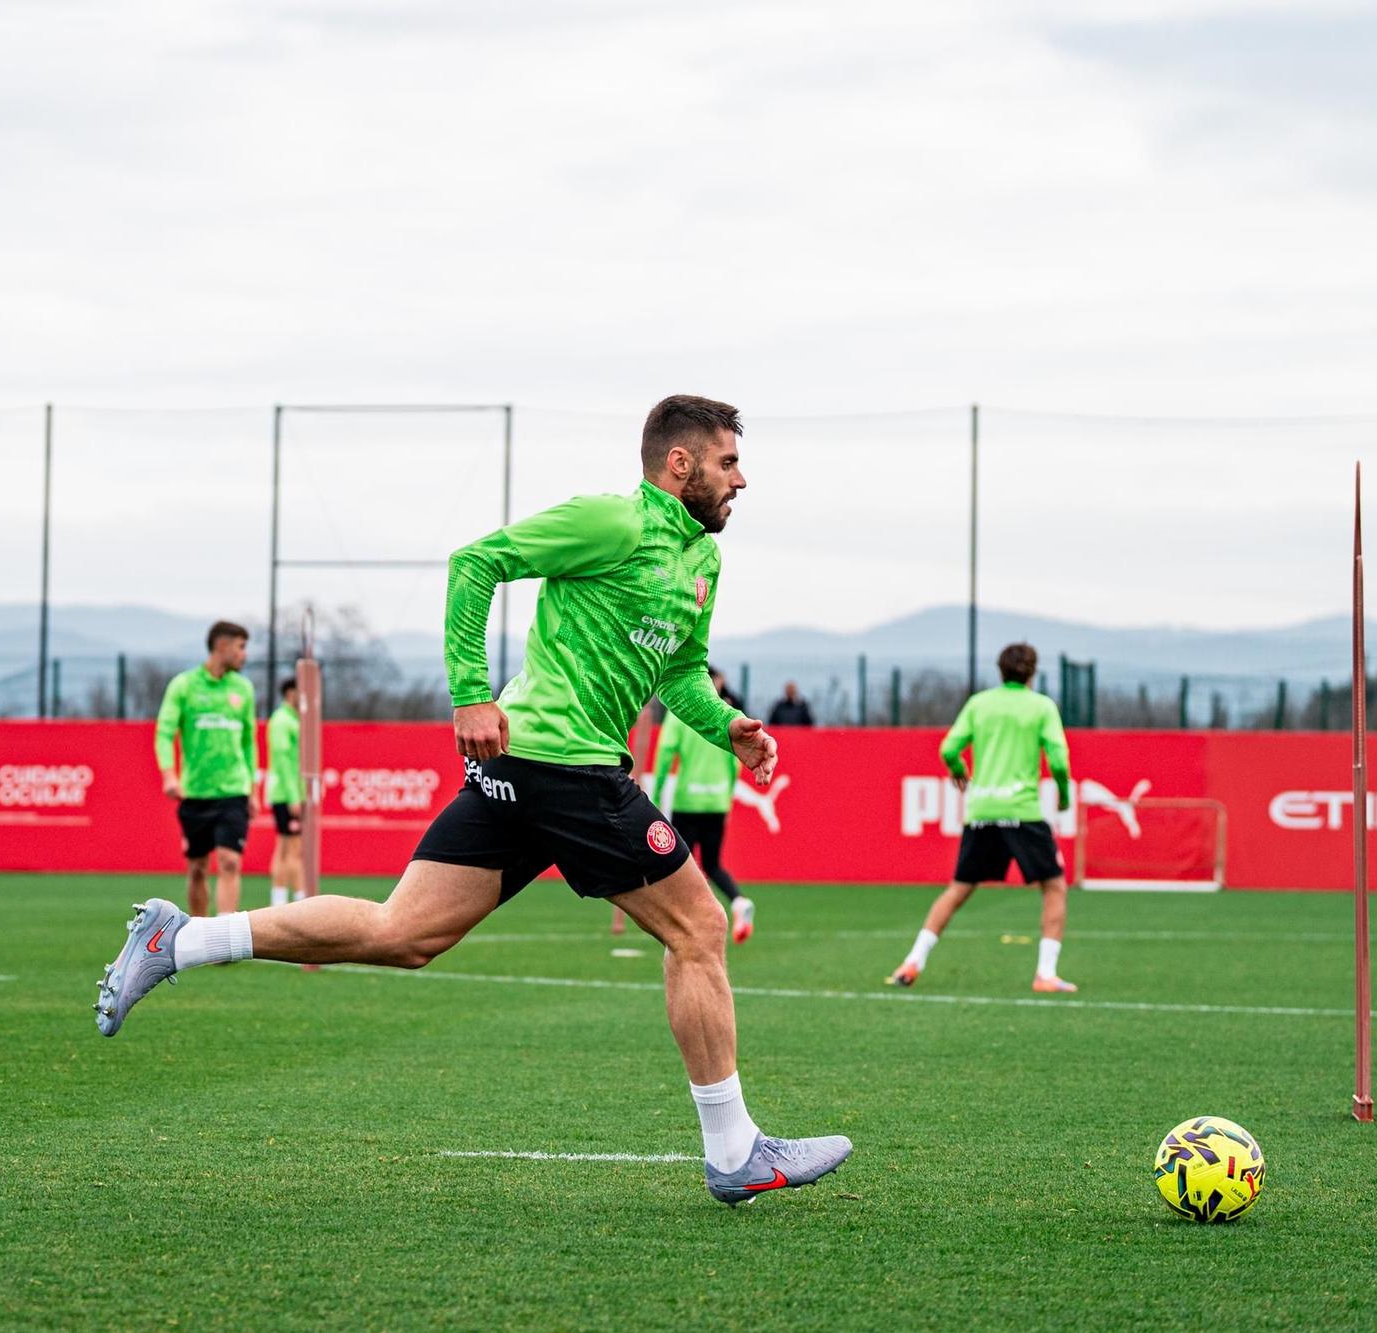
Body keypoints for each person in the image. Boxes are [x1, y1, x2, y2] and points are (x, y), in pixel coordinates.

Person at [97, 395, 852, 1206]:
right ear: (680, 463)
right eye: (729, 461)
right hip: (565, 765)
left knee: (404, 933)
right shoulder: (614, 522)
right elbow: (475, 562)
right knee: (700, 926)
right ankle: (736, 1150)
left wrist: (727, 723)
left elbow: (676, 673)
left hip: (531, 768)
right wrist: (469, 693)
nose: (742, 479)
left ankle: (180, 940)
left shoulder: (701, 563)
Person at [888, 642, 1075, 992]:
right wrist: (1064, 797)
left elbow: (948, 749)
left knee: (958, 890)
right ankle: (1045, 974)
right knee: (1054, 887)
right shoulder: (1041, 706)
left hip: (982, 810)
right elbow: (1060, 761)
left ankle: (913, 960)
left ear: (1000, 670)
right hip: (1022, 811)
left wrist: (959, 769)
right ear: (1032, 673)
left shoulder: (980, 703)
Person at [153, 621, 262, 918]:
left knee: (230, 861)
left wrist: (253, 790)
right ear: (222, 646)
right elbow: (164, 733)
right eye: (241, 647)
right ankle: (198, 937)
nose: (245, 655)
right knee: (198, 868)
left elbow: (249, 743)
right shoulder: (184, 685)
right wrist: (169, 775)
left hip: (234, 791)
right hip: (196, 792)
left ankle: (224, 937)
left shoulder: (243, 688)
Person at [653, 667, 756, 943]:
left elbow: (664, 754)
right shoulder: (724, 716)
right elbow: (734, 763)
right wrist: (727, 799)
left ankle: (689, 919)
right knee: (712, 864)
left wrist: (655, 794)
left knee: (677, 866)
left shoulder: (680, 714)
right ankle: (737, 901)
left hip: (688, 801)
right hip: (716, 801)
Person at [266, 677, 305, 908]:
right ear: (291, 693)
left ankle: (278, 901)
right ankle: (300, 902)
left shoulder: (292, 719)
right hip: (286, 793)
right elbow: (282, 761)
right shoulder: (282, 721)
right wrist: (293, 797)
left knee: (283, 849)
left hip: (287, 792)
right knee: (293, 851)